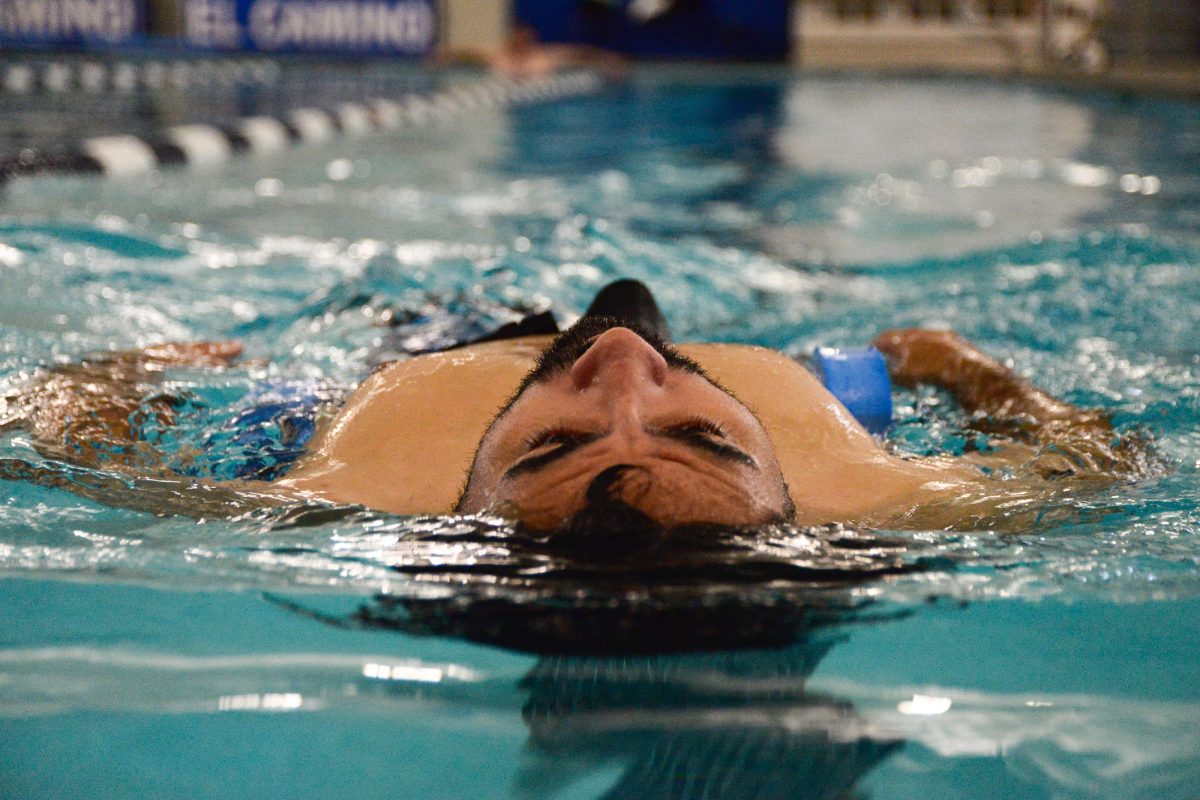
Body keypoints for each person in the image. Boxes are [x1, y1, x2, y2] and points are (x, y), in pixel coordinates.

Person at [3, 280, 1145, 531]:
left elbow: (43, 438)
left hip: (416, 360)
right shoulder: (893, 491)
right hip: (835, 414)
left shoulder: (341, 489)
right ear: (790, 496)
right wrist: (956, 366)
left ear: (474, 495)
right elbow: (1095, 464)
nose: (621, 368)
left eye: (554, 441)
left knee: (431, 316)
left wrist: (123, 371)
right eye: (703, 429)